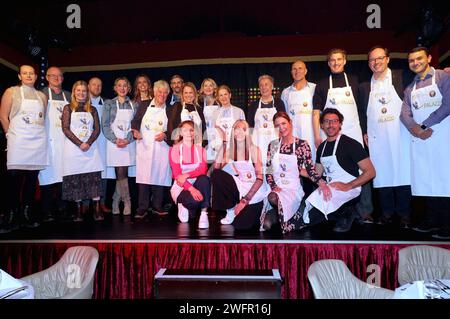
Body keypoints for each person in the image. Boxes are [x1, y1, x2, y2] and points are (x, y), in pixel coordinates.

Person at [312, 48, 373, 223]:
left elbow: (361, 109)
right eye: (332, 60)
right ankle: (338, 209)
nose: (336, 63)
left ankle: (365, 211)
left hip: (353, 134)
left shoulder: (354, 81)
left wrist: (364, 132)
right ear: (328, 63)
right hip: (331, 135)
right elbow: (316, 112)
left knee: (362, 170)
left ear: (345, 61)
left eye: (339, 59)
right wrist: (317, 136)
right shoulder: (322, 84)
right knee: (334, 172)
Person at [359, 46, 412, 228]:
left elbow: (423, 76)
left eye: (380, 58)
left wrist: (442, 72)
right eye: (372, 60)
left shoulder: (401, 77)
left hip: (400, 135)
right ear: (369, 64)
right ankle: (387, 213)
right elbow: (361, 113)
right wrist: (365, 131)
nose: (376, 62)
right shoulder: (365, 87)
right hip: (377, 137)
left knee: (402, 172)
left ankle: (405, 215)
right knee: (381, 175)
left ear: (387, 59)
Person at [400, 46, 450, 239]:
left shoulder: (443, 77)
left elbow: (447, 105)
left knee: (444, 179)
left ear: (429, 58)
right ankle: (431, 220)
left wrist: (424, 125)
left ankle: (446, 224)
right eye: (411, 60)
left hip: (442, 138)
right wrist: (414, 128)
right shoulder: (409, 88)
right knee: (425, 179)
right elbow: (404, 113)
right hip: (421, 139)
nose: (415, 63)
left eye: (419, 58)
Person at [304, 108, 376, 233]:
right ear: (321, 125)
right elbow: (318, 174)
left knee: (326, 215)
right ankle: (346, 213)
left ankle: (348, 212)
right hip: (330, 188)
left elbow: (370, 172)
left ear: (340, 124)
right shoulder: (321, 147)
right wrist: (299, 170)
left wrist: (348, 185)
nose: (330, 125)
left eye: (334, 121)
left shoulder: (351, 144)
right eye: (327, 121)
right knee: (311, 218)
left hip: (350, 189)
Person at [263, 112, 328, 233]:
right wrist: (273, 186)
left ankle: (292, 211)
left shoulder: (302, 145)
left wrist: (322, 183)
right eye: (278, 125)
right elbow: (268, 170)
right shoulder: (273, 145)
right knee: (273, 198)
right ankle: (281, 214)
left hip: (292, 189)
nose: (281, 127)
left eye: (283, 123)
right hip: (278, 188)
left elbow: (310, 171)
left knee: (276, 224)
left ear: (290, 123)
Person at [0, 65, 47, 233]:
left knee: (31, 179)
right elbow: (3, 117)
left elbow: (42, 119)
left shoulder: (42, 96)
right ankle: (10, 215)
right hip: (18, 141)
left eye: (31, 73)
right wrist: (10, 135)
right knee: (14, 179)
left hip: (37, 142)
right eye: (25, 73)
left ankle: (26, 214)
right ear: (19, 76)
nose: (28, 75)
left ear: (35, 76)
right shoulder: (11, 92)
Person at [211, 120, 270, 230]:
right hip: (241, 185)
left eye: (243, 129)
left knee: (240, 226)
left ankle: (262, 212)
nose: (239, 131)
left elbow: (260, 179)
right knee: (217, 175)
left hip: (256, 190)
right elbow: (216, 168)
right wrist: (224, 142)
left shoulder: (254, 149)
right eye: (237, 128)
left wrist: (245, 200)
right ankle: (230, 209)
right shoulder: (230, 151)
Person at [61, 81, 103, 222]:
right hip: (73, 149)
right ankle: (78, 211)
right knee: (76, 179)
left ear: (87, 93)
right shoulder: (67, 108)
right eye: (78, 91)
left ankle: (96, 210)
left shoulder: (92, 109)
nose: (81, 93)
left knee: (93, 179)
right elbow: (65, 128)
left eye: (84, 91)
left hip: (90, 149)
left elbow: (97, 129)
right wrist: (80, 144)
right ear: (74, 92)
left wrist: (88, 143)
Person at [131, 80, 172, 218]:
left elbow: (173, 128)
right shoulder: (143, 105)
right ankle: (142, 207)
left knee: (159, 176)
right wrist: (135, 131)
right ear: (154, 92)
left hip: (161, 148)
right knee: (144, 176)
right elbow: (135, 121)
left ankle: (157, 206)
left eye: (165, 92)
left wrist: (166, 135)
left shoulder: (170, 109)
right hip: (145, 146)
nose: (162, 95)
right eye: (160, 92)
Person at [38, 66, 71, 222]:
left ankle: (63, 208)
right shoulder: (42, 94)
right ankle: (46, 210)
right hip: (48, 142)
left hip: (66, 142)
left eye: (60, 76)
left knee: (65, 178)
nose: (57, 79)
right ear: (47, 77)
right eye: (53, 76)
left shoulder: (69, 96)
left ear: (63, 79)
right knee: (48, 177)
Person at [281, 60, 317, 197]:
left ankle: (314, 207)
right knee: (295, 173)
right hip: (293, 140)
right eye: (294, 69)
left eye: (300, 68)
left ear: (306, 71)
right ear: (291, 72)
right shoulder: (285, 92)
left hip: (312, 138)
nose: (297, 71)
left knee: (312, 171)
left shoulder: (314, 88)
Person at [101, 77, 136, 216]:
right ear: (115, 88)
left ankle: (116, 199)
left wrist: (127, 140)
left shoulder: (134, 104)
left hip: (128, 143)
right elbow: (105, 125)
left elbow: (136, 125)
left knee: (123, 173)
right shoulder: (108, 103)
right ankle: (127, 201)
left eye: (125, 86)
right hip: (114, 144)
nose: (122, 88)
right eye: (119, 86)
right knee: (120, 172)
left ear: (129, 88)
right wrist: (116, 140)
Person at [169, 120, 210, 228]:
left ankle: (203, 214)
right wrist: (192, 189)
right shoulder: (175, 150)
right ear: (181, 133)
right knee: (194, 201)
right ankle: (183, 204)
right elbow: (177, 175)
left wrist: (186, 175)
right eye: (185, 130)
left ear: (195, 132)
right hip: (180, 186)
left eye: (191, 130)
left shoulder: (201, 150)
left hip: (196, 182)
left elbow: (202, 170)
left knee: (204, 179)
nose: (189, 133)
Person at [247, 75, 285, 174]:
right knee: (260, 171)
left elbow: (283, 125)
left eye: (266, 84)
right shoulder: (253, 105)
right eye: (261, 85)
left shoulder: (279, 103)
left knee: (273, 170)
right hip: (258, 143)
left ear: (272, 86)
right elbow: (250, 127)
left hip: (274, 142)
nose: (264, 87)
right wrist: (251, 145)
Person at [88, 77, 114, 214]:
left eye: (99, 85)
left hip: (103, 141)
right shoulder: (82, 103)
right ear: (88, 86)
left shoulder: (106, 103)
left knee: (103, 172)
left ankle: (102, 202)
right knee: (88, 172)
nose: (97, 87)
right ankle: (86, 203)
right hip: (87, 142)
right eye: (94, 85)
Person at [213, 85, 246, 149]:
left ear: (230, 95)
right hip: (219, 148)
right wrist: (215, 146)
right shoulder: (215, 113)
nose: (223, 97)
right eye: (221, 95)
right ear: (218, 98)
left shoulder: (239, 111)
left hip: (235, 148)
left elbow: (244, 131)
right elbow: (213, 132)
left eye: (225, 94)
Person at [198, 78, 220, 162]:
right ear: (202, 88)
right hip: (205, 136)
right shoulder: (199, 103)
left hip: (217, 135)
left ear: (214, 88)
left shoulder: (219, 102)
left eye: (211, 85)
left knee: (218, 161)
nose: (208, 88)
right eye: (206, 86)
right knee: (205, 160)